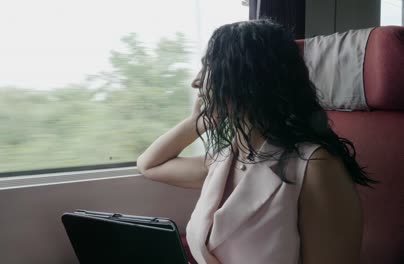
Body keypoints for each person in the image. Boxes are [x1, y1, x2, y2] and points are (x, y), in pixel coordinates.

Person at [136, 19, 376, 264]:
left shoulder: (315, 167)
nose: (196, 81)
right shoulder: (224, 159)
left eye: (208, 67)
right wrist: (198, 121)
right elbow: (149, 164)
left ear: (246, 79)